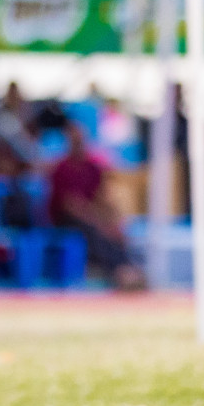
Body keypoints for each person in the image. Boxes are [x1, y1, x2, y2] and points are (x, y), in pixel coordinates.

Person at [48, 119, 145, 290]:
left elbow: (102, 198)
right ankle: (120, 272)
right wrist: (98, 221)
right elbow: (69, 205)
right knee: (92, 232)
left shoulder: (92, 168)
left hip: (90, 216)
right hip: (68, 220)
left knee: (113, 232)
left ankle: (128, 268)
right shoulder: (61, 168)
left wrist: (113, 221)